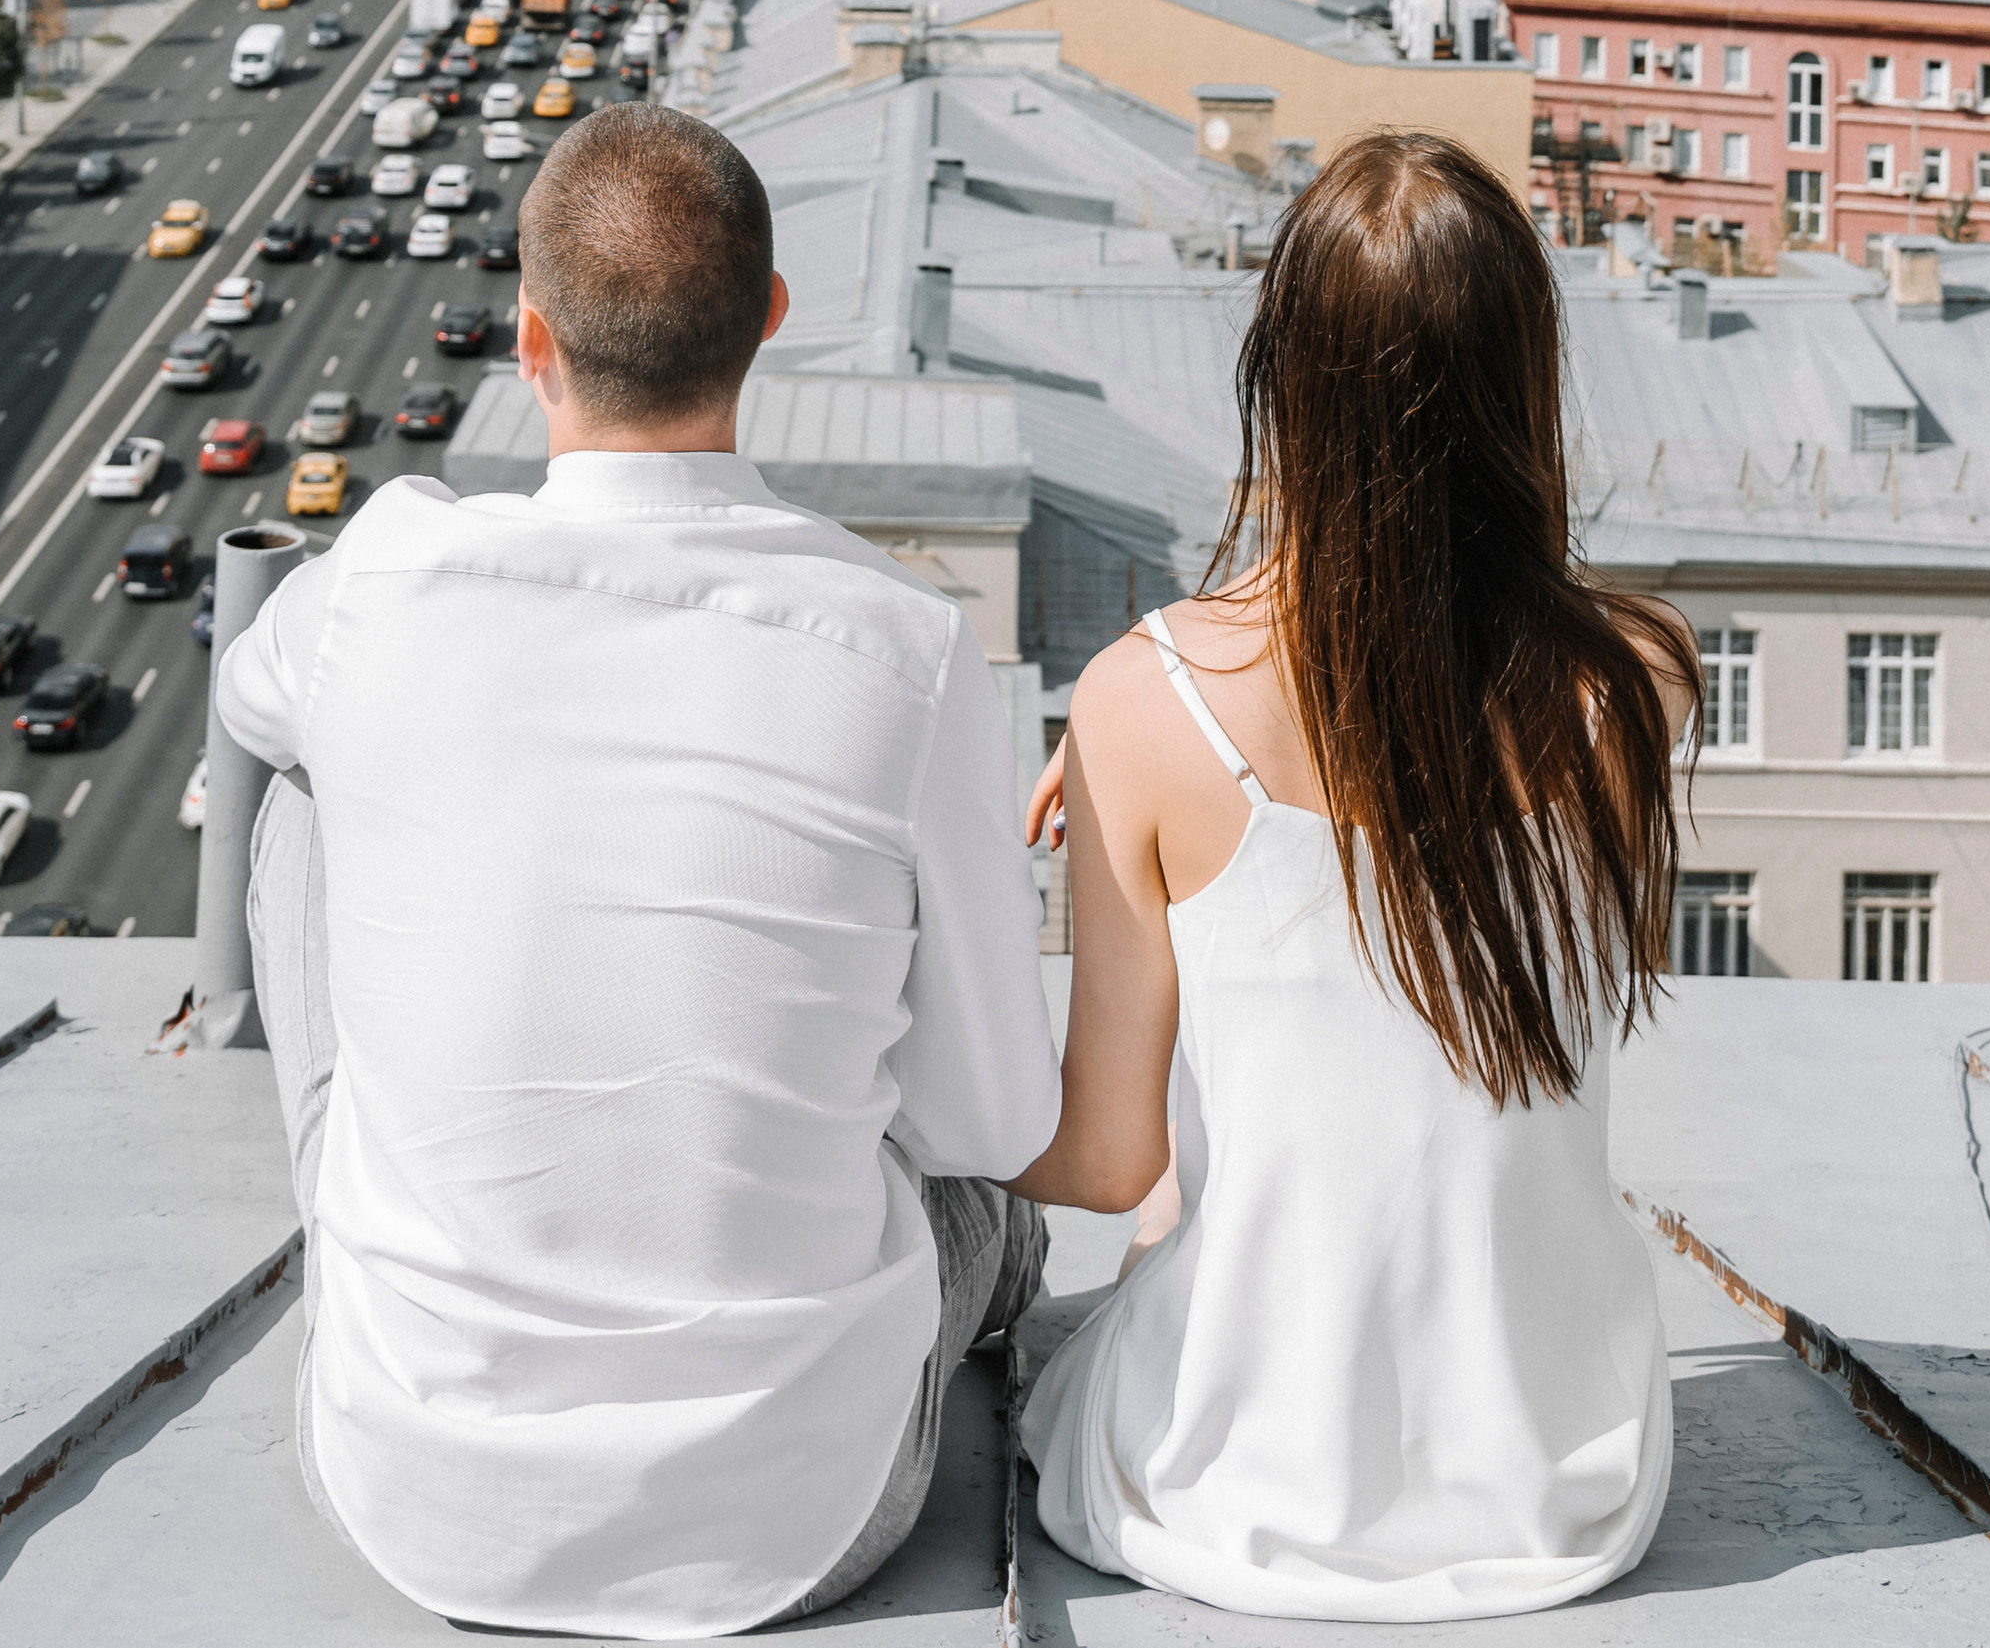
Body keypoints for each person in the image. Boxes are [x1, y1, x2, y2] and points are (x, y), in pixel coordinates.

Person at [215, 103, 1061, 1638]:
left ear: (529, 337)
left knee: (302, 799)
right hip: (800, 1515)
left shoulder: (389, 576)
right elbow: (991, 1120)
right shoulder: (906, 644)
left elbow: (246, 702)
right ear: (773, 324)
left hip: (415, 1484)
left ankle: (405, 1228)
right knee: (982, 1212)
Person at [1015, 130, 1698, 1621]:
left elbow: (1106, 1162)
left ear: (1281, 380)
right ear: (1528, 379)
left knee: (1163, 1208)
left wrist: (1128, 744)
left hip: (1242, 1490)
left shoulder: (1145, 700)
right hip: (1556, 1477)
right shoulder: (1641, 677)